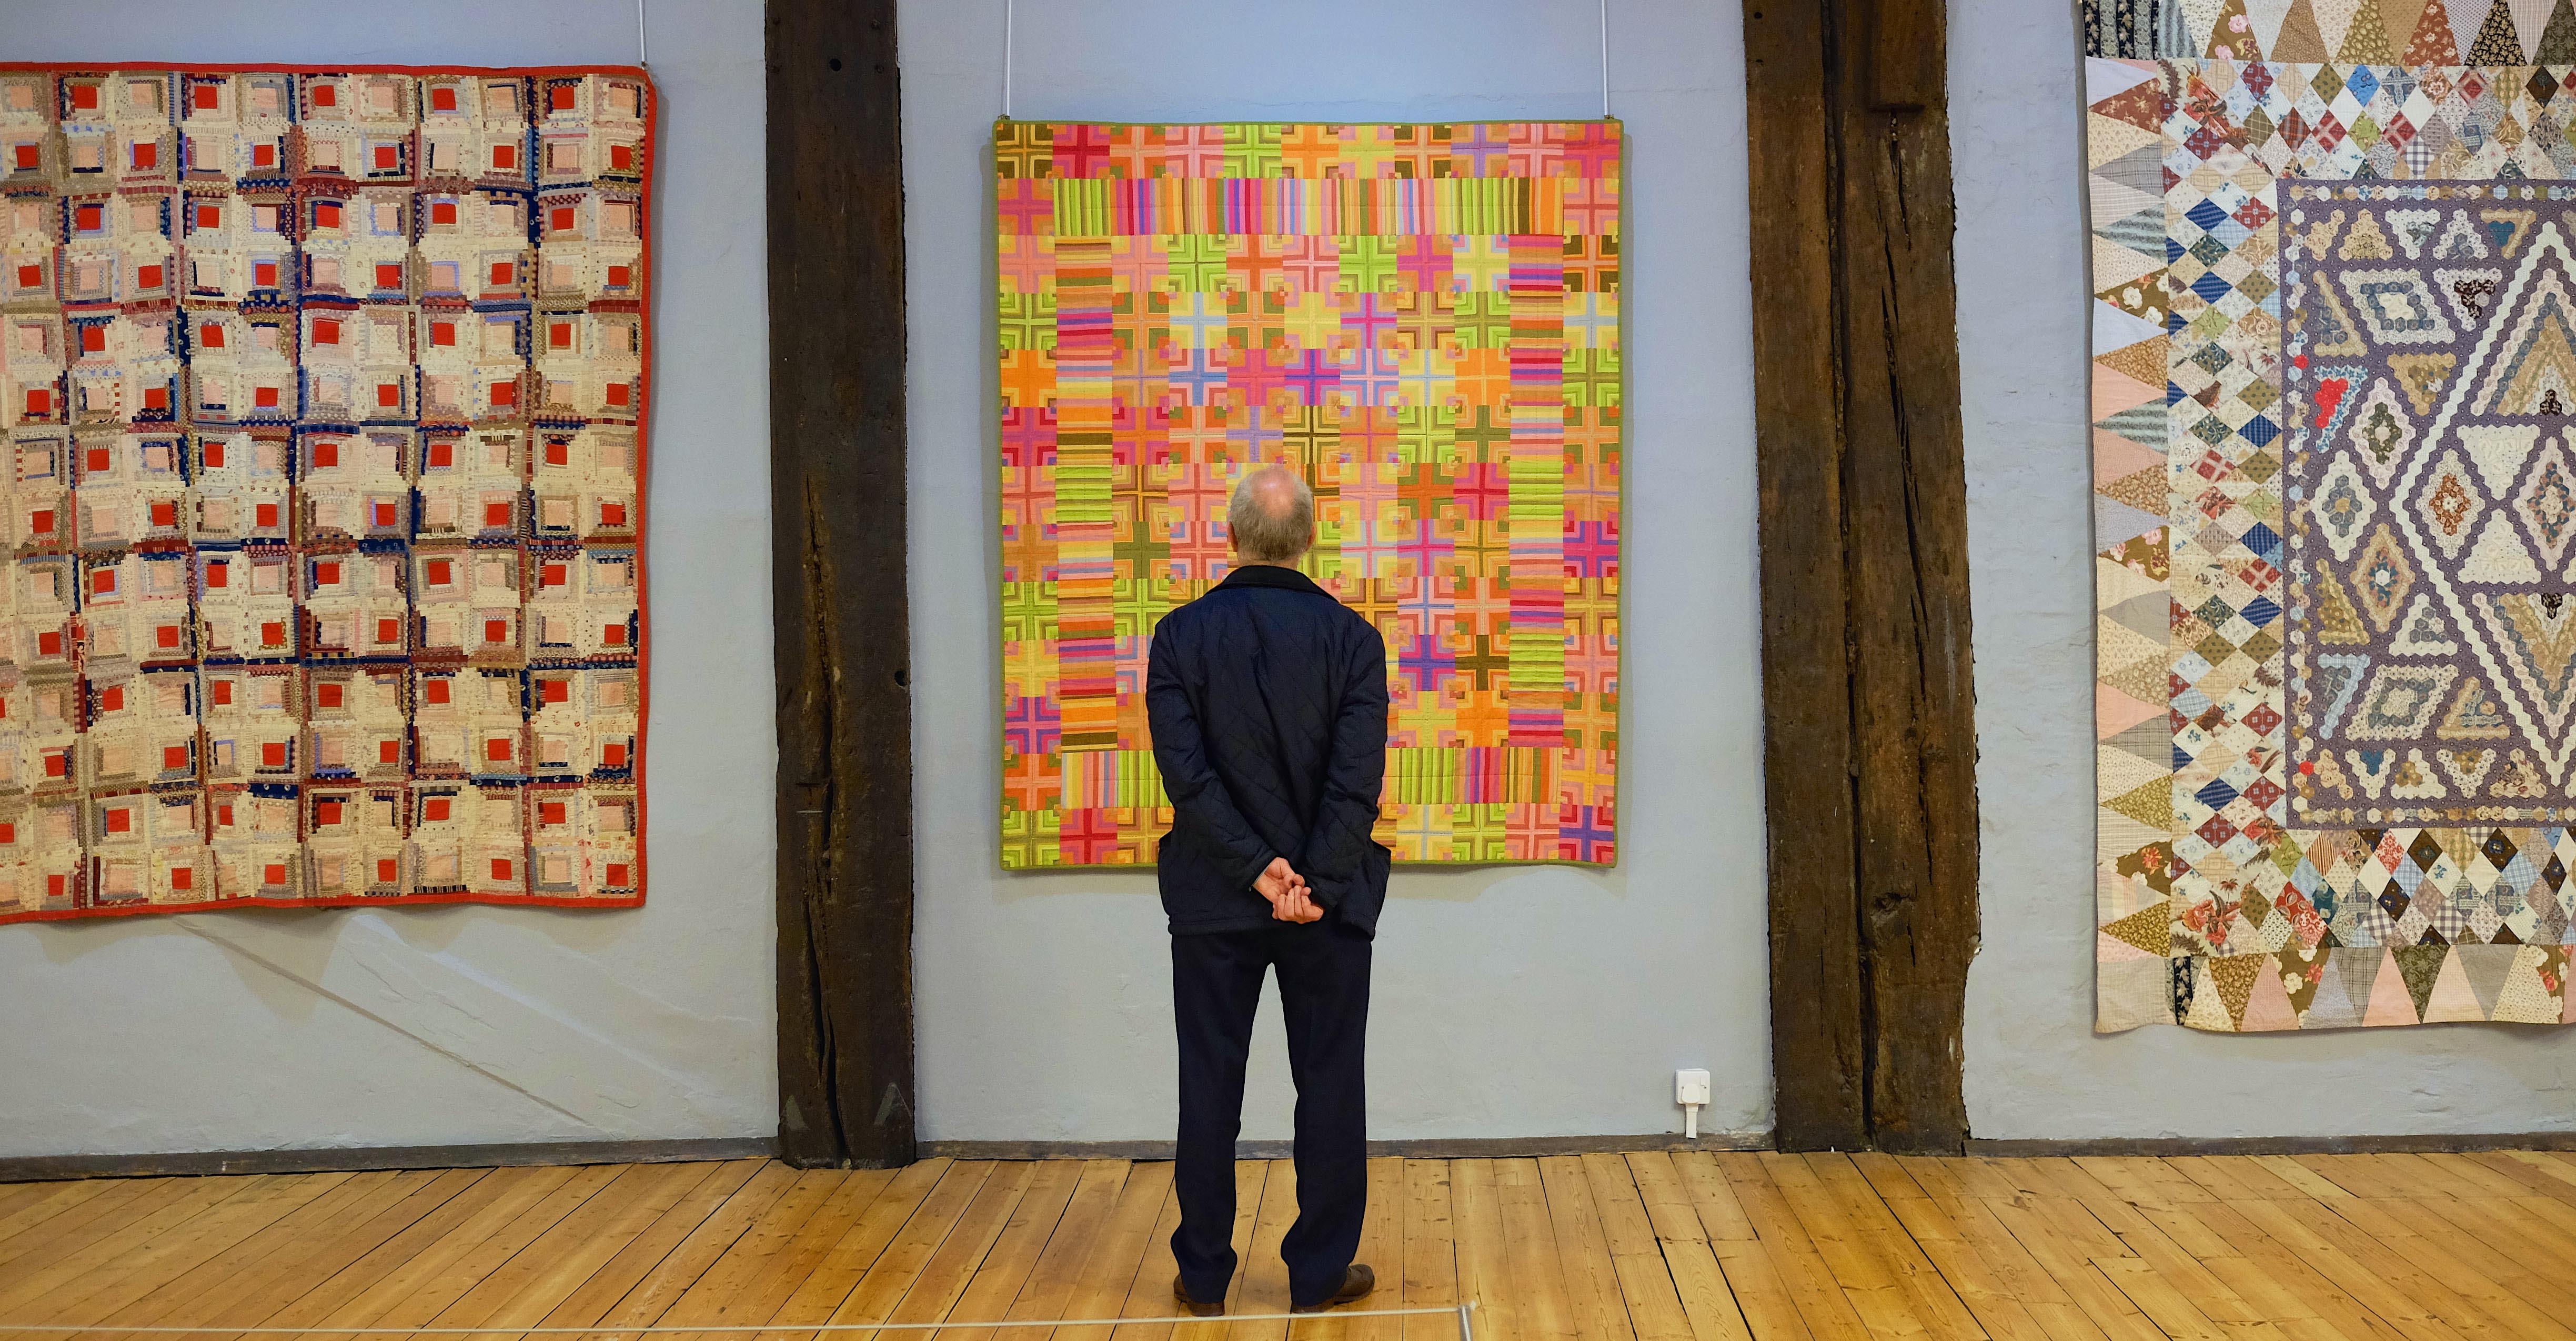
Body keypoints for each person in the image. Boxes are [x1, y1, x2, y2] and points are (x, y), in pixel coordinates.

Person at [1145, 464, 1391, 1317]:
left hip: (1214, 897)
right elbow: (1356, 785)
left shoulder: (1179, 637)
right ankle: (1319, 1275)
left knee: (1209, 1084)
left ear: (1231, 536)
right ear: (1310, 539)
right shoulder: (1355, 641)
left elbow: (1189, 779)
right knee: (1330, 1086)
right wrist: (1307, 881)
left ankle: (1205, 1277)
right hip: (1326, 903)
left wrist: (1256, 870)